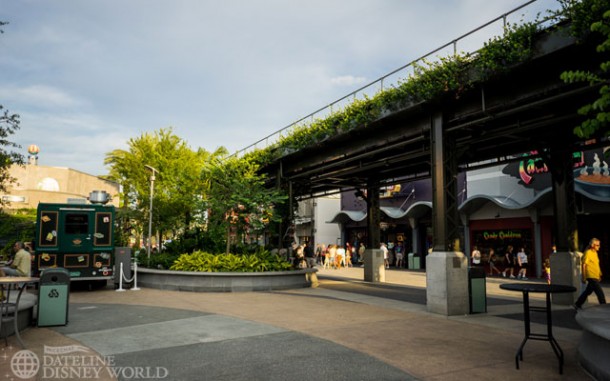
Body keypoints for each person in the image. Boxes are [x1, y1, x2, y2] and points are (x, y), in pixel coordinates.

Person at [574, 238, 606, 310]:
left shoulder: (595, 253)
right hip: (590, 276)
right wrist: (584, 277)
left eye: (599, 245)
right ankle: (604, 306)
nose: (599, 246)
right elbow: (584, 265)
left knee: (587, 292)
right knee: (599, 292)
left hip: (595, 275)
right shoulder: (588, 253)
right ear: (593, 245)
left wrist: (599, 274)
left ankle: (577, 304)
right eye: (597, 245)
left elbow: (596, 265)